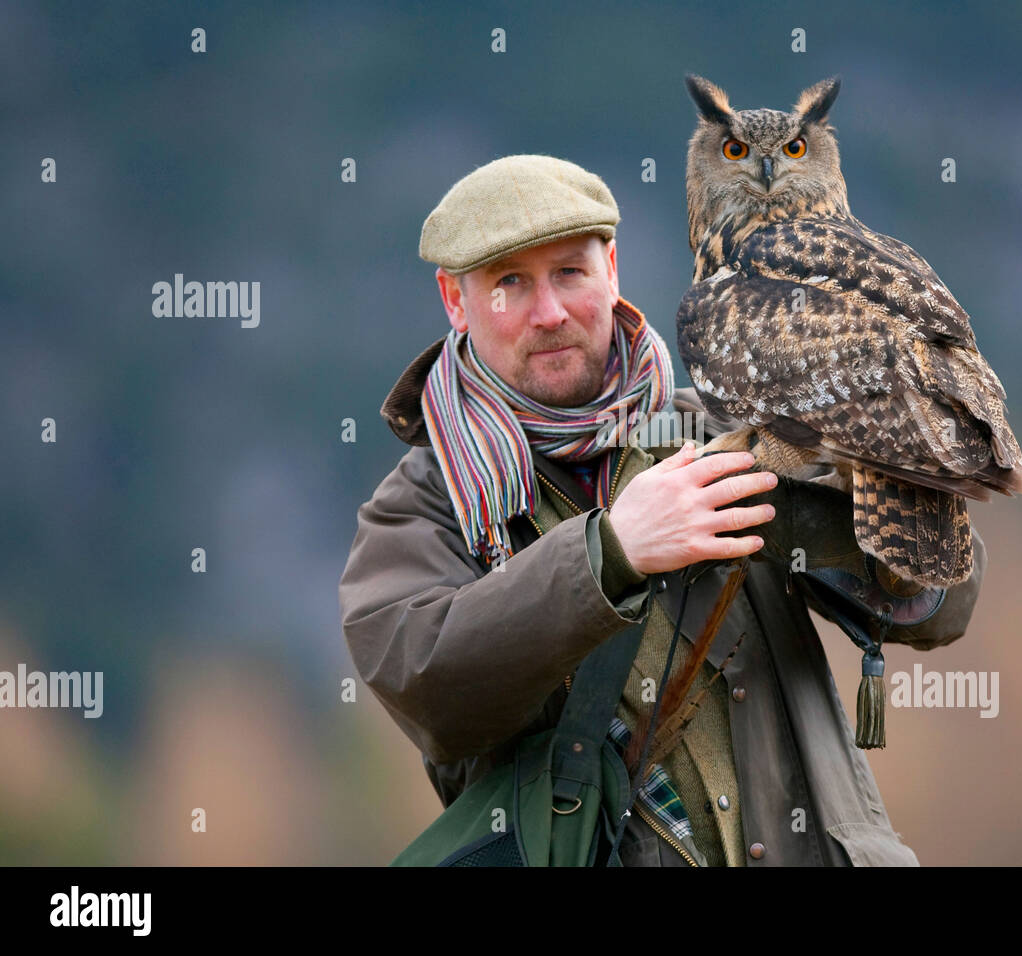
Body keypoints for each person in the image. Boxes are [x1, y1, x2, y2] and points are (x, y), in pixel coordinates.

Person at [337, 154, 987, 866]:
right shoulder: (424, 501)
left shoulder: (729, 424)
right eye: (510, 283)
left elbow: (941, 606)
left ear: (611, 268)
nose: (549, 311)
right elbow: (429, 686)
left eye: (569, 273)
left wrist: (856, 484)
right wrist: (610, 554)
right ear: (455, 301)